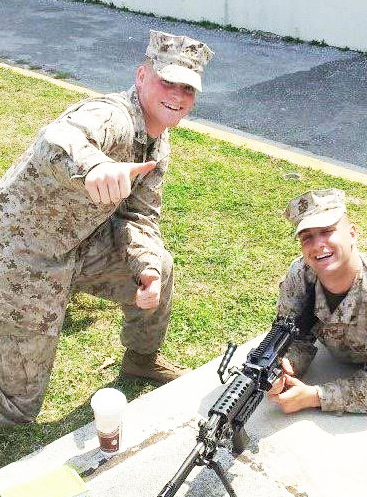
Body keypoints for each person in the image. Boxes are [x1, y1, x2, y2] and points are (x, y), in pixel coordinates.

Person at [0, 30, 214, 425]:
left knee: (160, 268)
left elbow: (139, 216)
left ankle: (141, 359)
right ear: (142, 76)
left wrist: (146, 266)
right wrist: (94, 166)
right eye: (168, 81)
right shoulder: (112, 116)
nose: (178, 96)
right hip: (22, 253)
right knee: (17, 408)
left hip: (80, 243)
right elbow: (56, 138)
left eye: (188, 89)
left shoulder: (156, 141)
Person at [267, 188, 367, 415]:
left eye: (327, 231)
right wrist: (285, 368)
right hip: (350, 357)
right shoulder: (301, 273)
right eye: (307, 237)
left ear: (353, 234)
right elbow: (294, 336)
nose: (317, 244)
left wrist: (315, 396)